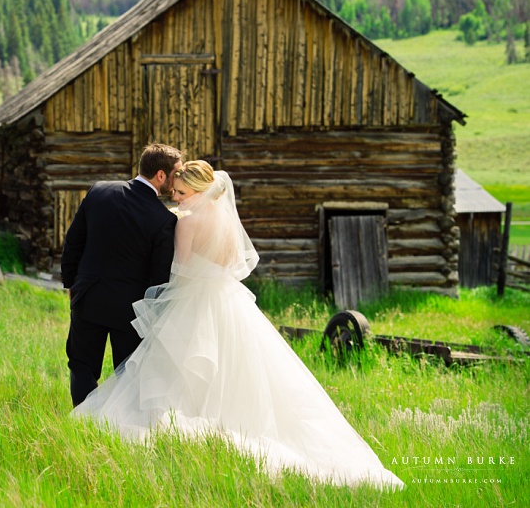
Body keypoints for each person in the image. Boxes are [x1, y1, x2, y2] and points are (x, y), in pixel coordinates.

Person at [72, 160, 404, 489]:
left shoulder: (187, 224)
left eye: (183, 192)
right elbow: (232, 263)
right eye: (176, 192)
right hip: (228, 300)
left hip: (196, 301)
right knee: (233, 365)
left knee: (184, 365)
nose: (178, 198)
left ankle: (189, 423)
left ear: (201, 191)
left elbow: (180, 268)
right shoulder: (227, 222)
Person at [61, 143, 184, 408]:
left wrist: (71, 283)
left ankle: (81, 424)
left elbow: (73, 242)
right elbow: (159, 278)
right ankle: (121, 430)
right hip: (130, 309)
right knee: (128, 373)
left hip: (88, 295)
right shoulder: (163, 219)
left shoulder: (100, 190)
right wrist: (153, 314)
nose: (179, 179)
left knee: (82, 366)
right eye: (177, 173)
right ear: (161, 176)